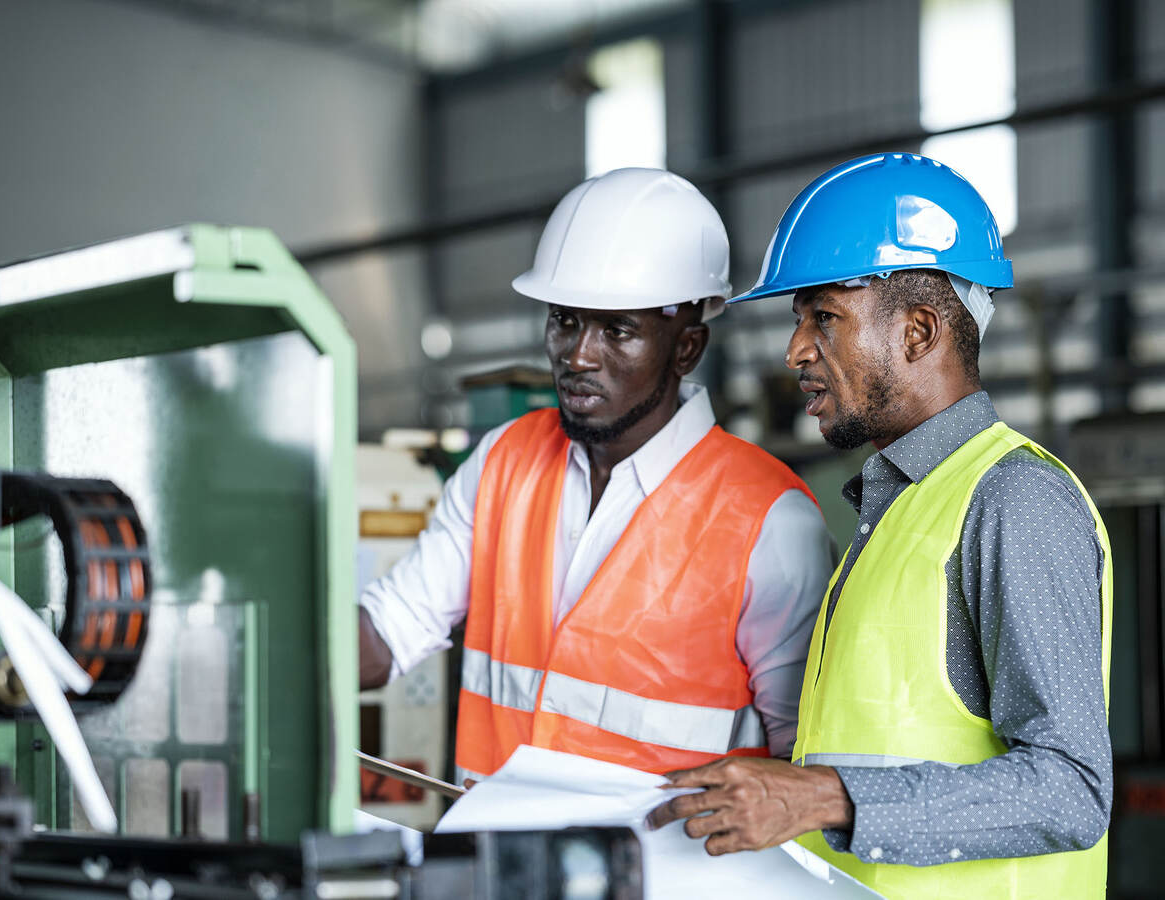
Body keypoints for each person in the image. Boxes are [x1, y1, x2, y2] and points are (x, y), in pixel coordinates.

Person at [648, 153, 1113, 899]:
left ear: (919, 333)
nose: (796, 349)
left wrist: (822, 796)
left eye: (823, 317)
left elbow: (1070, 789)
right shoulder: (896, 510)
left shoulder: (1012, 501)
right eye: (799, 321)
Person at [359, 167, 835, 783]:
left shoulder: (769, 520)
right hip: (499, 871)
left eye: (617, 330)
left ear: (686, 348)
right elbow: (391, 629)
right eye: (564, 320)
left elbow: (801, 763)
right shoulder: (504, 461)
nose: (578, 355)